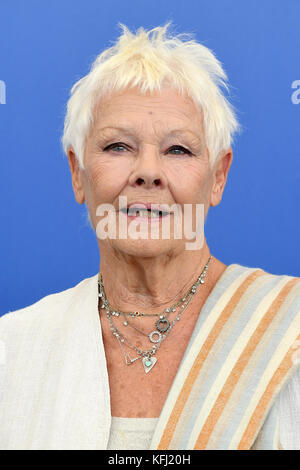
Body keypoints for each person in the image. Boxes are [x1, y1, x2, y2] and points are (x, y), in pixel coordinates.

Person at [0, 23, 299, 450]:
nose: (148, 172)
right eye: (117, 146)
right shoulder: (13, 350)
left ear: (218, 177)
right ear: (76, 173)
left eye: (179, 150)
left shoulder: (291, 329)